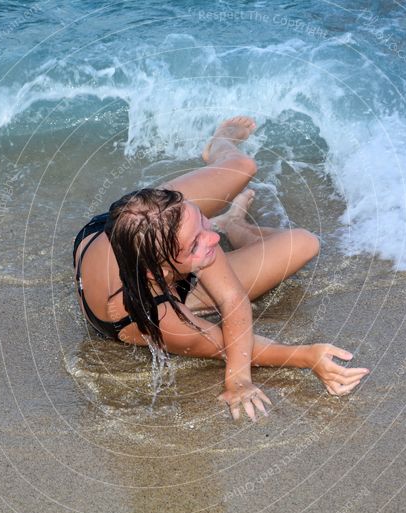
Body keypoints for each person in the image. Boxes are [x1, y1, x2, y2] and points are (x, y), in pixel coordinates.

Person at [73, 116, 369, 421]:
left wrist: (194, 233)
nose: (212, 238)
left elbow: (232, 298)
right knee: (302, 243)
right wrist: (300, 358)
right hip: (158, 291)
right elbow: (226, 343)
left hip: (142, 224)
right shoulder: (157, 317)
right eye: (197, 243)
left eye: (204, 222)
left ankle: (218, 146)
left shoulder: (163, 221)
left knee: (244, 168)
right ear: (157, 271)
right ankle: (235, 225)